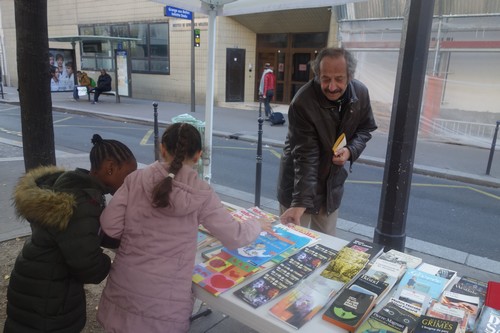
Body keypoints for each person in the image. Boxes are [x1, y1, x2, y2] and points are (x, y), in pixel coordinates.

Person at [96, 122, 272, 333]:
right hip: (165, 305)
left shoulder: (136, 179)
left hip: (124, 290)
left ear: (162, 148)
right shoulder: (202, 192)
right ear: (198, 156)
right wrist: (257, 224)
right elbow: (235, 237)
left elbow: (109, 225)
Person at [4, 134, 137, 333]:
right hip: (47, 298)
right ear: (110, 168)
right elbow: (89, 267)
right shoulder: (81, 202)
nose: (131, 183)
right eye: (129, 176)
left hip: (37, 283)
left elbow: (85, 233)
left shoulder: (76, 188)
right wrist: (112, 263)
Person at [277, 47, 377, 236]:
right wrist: (300, 203)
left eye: (339, 79)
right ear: (317, 76)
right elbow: (307, 156)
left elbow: (365, 128)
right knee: (291, 244)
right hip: (298, 185)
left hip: (331, 187)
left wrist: (350, 150)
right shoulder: (302, 102)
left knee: (326, 244)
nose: (332, 87)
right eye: (325, 79)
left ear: (350, 76)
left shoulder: (361, 94)